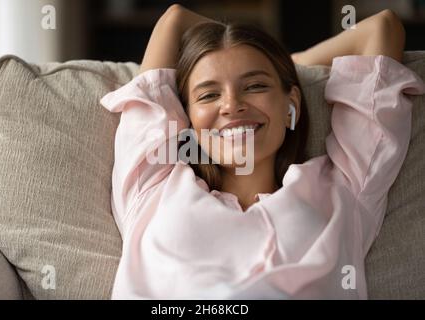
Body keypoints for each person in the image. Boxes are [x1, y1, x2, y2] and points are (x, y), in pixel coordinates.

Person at [100, 4, 425, 299]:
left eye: (256, 86)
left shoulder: (346, 191)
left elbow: (382, 28)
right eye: (209, 95)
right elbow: (174, 19)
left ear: (291, 104)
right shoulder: (151, 187)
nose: (232, 105)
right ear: (187, 120)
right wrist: (281, 61)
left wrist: (288, 62)